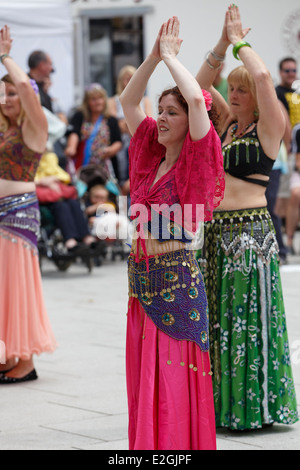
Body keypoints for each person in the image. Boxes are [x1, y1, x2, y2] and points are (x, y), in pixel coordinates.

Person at [120, 16, 225, 450]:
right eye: (159, 111)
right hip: (142, 283)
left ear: (188, 119)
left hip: (175, 284)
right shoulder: (151, 156)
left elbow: (200, 106)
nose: (160, 119)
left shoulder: (193, 165)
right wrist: (151, 59)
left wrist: (172, 59)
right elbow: (128, 101)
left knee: (170, 378)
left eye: (170, 113)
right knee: (146, 378)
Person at [195, 5, 298, 431]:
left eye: (241, 91)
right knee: (219, 322)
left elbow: (261, 77)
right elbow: (196, 89)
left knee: (246, 321)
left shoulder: (269, 127)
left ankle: (252, 407)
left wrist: (241, 42)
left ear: (256, 100)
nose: (234, 95)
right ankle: (224, 406)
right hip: (215, 235)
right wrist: (220, 45)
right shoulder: (224, 127)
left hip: (249, 235)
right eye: (232, 91)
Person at [0, 26, 57, 383]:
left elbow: (24, 86)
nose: (6, 99)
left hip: (18, 215)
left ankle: (26, 361)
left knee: (17, 283)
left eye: (11, 94)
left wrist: (5, 55)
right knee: (3, 286)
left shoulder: (34, 128)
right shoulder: (5, 129)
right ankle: (9, 353)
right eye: (2, 93)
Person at [65, 83, 122, 184]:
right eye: (93, 99)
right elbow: (74, 133)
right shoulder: (79, 116)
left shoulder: (111, 120)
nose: (98, 102)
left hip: (104, 167)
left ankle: (121, 201)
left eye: (100, 98)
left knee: (111, 193)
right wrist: (71, 147)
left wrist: (110, 150)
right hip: (82, 166)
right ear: (87, 102)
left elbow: (118, 141)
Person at [108, 65, 153, 192]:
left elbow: (148, 122)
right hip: (123, 142)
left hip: (141, 141)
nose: (129, 81)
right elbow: (115, 124)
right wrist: (133, 127)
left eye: (133, 78)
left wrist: (128, 125)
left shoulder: (145, 100)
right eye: (127, 78)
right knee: (123, 174)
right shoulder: (113, 100)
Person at [275, 57, 300, 243]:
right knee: (284, 197)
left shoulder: (298, 92)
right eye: (287, 71)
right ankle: (285, 239)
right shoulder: (276, 93)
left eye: (294, 70)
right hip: (287, 151)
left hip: (296, 149)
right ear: (280, 72)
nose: (291, 74)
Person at [285, 122, 300, 253]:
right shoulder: (298, 129)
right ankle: (289, 239)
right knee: (296, 194)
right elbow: (298, 161)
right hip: (298, 173)